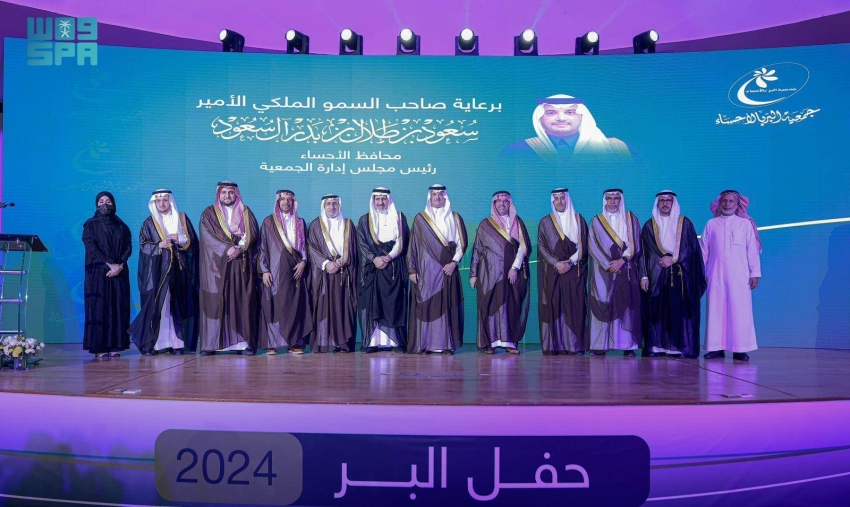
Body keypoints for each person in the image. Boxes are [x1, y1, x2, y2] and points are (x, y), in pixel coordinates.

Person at [129, 190, 199, 356]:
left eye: (165, 200)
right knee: (159, 306)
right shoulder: (149, 223)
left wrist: (179, 239)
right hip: (158, 273)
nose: (162, 204)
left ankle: (177, 343)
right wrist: (159, 245)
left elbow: (193, 243)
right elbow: (144, 246)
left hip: (179, 272)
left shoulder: (181, 219)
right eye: (158, 201)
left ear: (170, 201)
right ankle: (156, 344)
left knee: (177, 305)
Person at [639, 191, 706, 358]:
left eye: (668, 200)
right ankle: (657, 347)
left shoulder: (685, 223)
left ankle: (678, 348)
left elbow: (692, 250)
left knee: (678, 311)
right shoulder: (649, 225)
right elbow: (644, 253)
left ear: (673, 203)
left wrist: (673, 259)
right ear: (657, 203)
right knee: (657, 311)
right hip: (656, 276)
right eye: (662, 201)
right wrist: (644, 276)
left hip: (681, 276)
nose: (665, 203)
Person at [198, 181, 260, 356]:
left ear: (236, 194)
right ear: (219, 194)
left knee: (241, 301)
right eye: (224, 192)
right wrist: (226, 249)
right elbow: (206, 235)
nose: (227, 196)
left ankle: (242, 344)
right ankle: (212, 344)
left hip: (240, 264)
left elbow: (253, 233)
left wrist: (239, 248)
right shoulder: (209, 213)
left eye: (231, 192)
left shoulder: (245, 212)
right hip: (217, 266)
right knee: (216, 302)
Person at [701, 190, 762, 361]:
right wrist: (700, 273)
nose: (727, 204)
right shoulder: (711, 224)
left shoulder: (745, 224)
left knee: (739, 310)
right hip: (715, 273)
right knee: (716, 309)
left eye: (731, 201)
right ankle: (715, 348)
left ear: (737, 204)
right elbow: (703, 251)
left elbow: (752, 251)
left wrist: (755, 273)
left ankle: (740, 349)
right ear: (719, 203)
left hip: (740, 275)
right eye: (724, 201)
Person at [407, 185, 468, 354]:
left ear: (445, 197)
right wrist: (412, 269)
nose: (437, 197)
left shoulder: (455, 218)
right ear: (430, 197)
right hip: (425, 272)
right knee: (428, 305)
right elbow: (413, 246)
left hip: (447, 269)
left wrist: (454, 263)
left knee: (446, 305)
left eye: (441, 194)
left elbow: (461, 244)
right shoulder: (420, 219)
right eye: (434, 194)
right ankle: (426, 344)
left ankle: (446, 344)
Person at [470, 191, 532, 354]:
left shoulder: (517, 222)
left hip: (512, 274)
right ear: (494, 204)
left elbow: (523, 247)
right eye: (498, 201)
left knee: (510, 306)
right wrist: (473, 274)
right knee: (489, 306)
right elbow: (477, 249)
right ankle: (490, 343)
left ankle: (510, 342)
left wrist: (514, 268)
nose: (502, 204)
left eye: (505, 201)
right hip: (488, 274)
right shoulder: (485, 224)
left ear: (510, 204)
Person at [500, 94, 635, 164]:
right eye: (551, 113)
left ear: (582, 116)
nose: (561, 118)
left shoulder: (618, 149)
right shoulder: (517, 150)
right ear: (540, 118)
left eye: (570, 112)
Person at [588, 189, 643, 356]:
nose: (612, 202)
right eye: (609, 198)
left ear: (621, 200)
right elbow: (592, 245)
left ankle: (627, 346)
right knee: (602, 304)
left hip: (626, 269)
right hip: (602, 271)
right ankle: (599, 345)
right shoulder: (596, 221)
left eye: (616, 198)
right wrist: (608, 265)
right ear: (604, 201)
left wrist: (622, 261)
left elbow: (636, 244)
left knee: (626, 306)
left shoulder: (630, 219)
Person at [258, 190, 312, 355]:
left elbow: (304, 247)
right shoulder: (268, 222)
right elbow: (262, 248)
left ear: (293, 202)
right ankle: (272, 344)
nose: (286, 202)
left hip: (295, 271)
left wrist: (303, 262)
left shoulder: (300, 222)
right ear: (278, 202)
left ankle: (294, 343)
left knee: (293, 306)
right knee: (273, 305)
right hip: (274, 271)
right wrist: (264, 270)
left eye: (289, 200)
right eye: (282, 199)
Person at [356, 188, 410, 353]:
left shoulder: (399, 217)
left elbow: (403, 240)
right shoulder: (364, 220)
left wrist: (389, 257)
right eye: (377, 199)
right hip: (372, 270)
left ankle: (396, 342)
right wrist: (374, 259)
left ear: (389, 200)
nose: (380, 203)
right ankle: (372, 343)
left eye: (383, 199)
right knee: (372, 304)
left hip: (393, 268)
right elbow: (361, 243)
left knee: (394, 304)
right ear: (373, 201)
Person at [537, 188, 589, 355]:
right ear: (552, 201)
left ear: (568, 200)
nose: (559, 202)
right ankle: (555, 345)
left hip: (574, 272)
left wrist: (571, 262)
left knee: (574, 307)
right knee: (555, 306)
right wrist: (556, 263)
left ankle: (573, 345)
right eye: (556, 199)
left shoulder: (579, 220)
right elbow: (541, 247)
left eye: (562, 198)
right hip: (553, 272)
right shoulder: (545, 222)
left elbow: (584, 245)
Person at [82, 191, 132, 359]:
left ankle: (115, 345)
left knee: (118, 307)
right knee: (99, 308)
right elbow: (91, 247)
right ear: (96, 204)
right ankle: (99, 347)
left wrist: (120, 264)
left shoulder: (122, 225)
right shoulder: (90, 224)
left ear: (113, 204)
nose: (105, 204)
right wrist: (110, 264)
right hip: (98, 272)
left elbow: (128, 247)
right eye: (101, 201)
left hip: (119, 272)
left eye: (108, 201)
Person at [307, 194, 358, 353]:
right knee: (323, 308)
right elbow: (311, 248)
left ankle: (342, 343)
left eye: (334, 203)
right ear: (324, 206)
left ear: (339, 205)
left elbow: (353, 249)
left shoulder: (348, 224)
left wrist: (341, 262)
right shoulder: (315, 224)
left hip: (344, 273)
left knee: (343, 308)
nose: (332, 207)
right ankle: (324, 342)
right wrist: (326, 263)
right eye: (328, 204)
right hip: (323, 275)